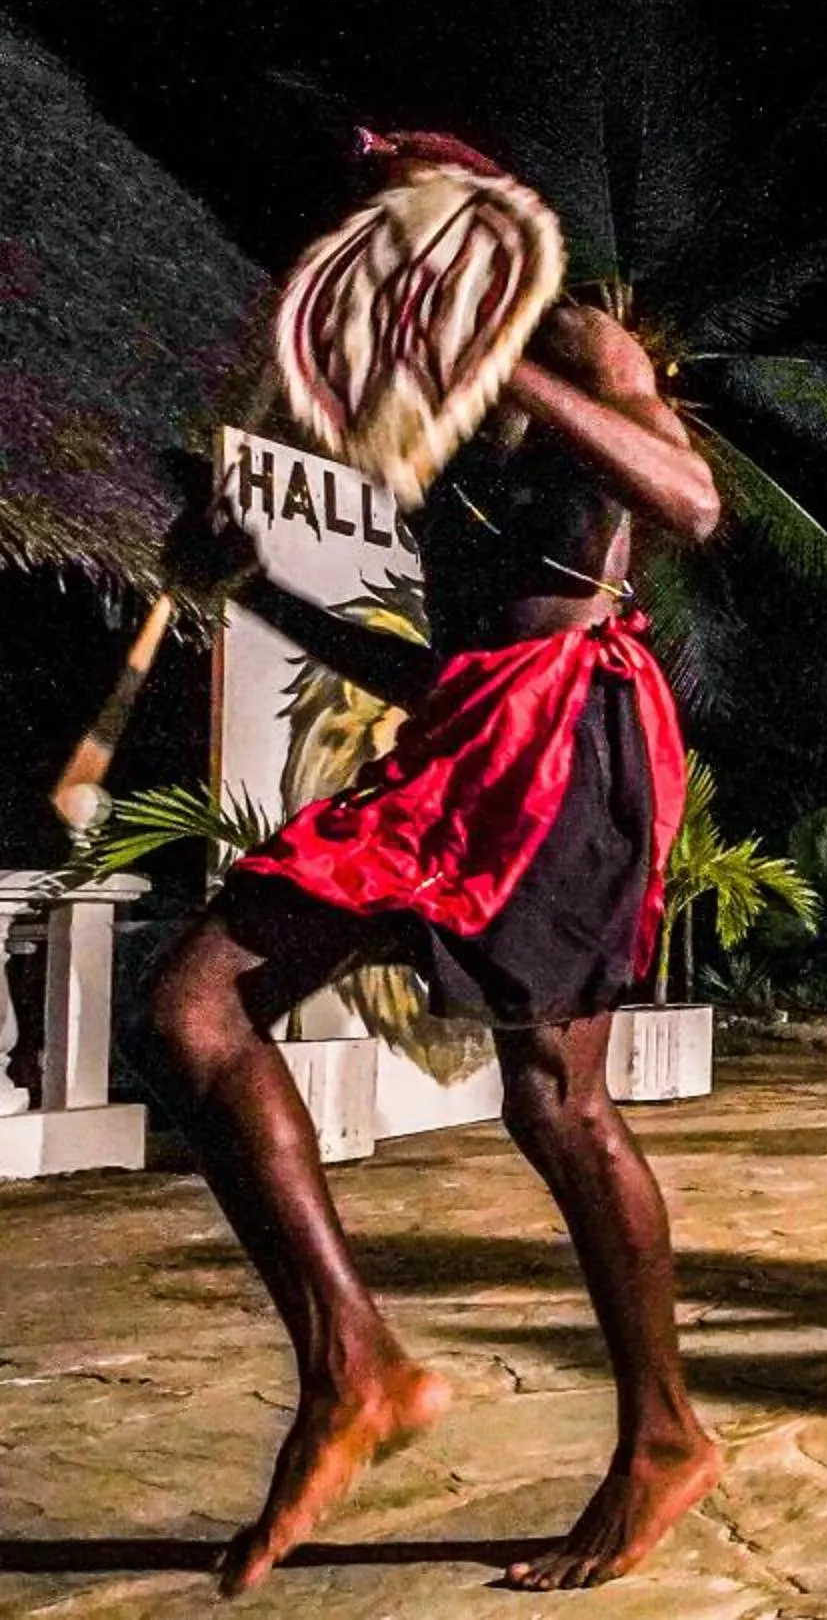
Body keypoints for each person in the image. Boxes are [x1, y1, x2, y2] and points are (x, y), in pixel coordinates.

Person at [140, 132, 724, 1598]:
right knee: (194, 1011)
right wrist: (254, 582)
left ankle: (661, 1437)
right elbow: (444, 650)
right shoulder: (417, 408)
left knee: (555, 1098)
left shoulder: (578, 344)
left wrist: (506, 358)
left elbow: (690, 503)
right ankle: (354, 1363)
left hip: (571, 728)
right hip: (466, 730)